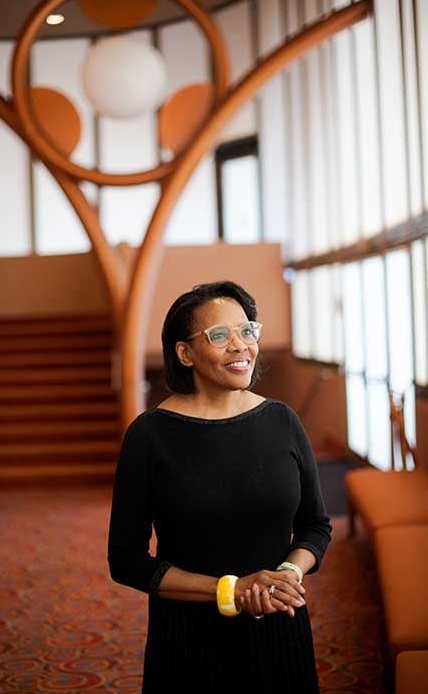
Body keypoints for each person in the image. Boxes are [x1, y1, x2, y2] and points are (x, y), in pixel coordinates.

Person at [108, 280, 332, 693]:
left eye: (247, 331)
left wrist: (285, 574)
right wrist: (233, 589)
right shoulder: (149, 435)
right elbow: (126, 561)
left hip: (279, 626)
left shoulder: (283, 421)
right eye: (219, 335)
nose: (240, 346)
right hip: (189, 640)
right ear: (185, 353)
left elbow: (316, 527)